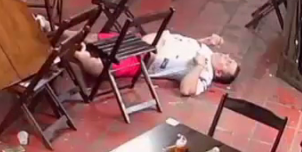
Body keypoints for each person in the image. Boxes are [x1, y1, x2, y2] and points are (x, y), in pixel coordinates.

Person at [73, 30, 239, 97]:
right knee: (94, 37)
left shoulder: (205, 74)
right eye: (229, 58)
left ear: (218, 72)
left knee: (102, 67)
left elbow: (186, 90)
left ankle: (76, 54)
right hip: (146, 40)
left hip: (145, 58)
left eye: (228, 62)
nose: (227, 56)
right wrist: (205, 40)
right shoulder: (208, 51)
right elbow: (184, 46)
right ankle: (61, 30)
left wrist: (199, 66)